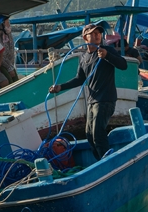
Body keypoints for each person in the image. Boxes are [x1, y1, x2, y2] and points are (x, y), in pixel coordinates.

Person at [48, 22, 127, 159]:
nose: (97, 35)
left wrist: (107, 56)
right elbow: (79, 79)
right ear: (85, 37)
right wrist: (60, 87)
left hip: (105, 100)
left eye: (99, 33)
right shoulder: (84, 57)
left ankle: (109, 163)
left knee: (98, 134)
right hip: (92, 101)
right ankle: (100, 162)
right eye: (93, 33)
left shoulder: (107, 50)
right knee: (89, 135)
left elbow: (123, 65)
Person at [0, 15, 19, 84]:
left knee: (16, 80)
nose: (9, 25)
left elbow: (11, 51)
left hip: (9, 64)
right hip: (1, 65)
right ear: (0, 26)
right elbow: (1, 57)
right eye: (7, 23)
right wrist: (10, 68)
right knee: (10, 82)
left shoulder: (7, 36)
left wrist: (11, 67)